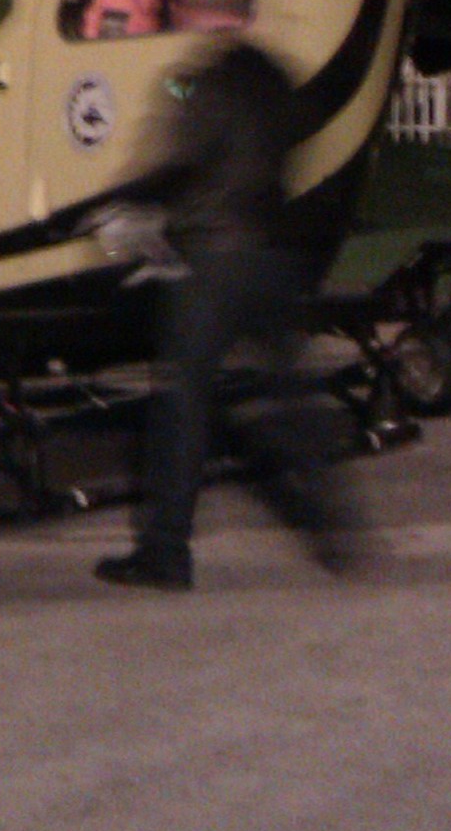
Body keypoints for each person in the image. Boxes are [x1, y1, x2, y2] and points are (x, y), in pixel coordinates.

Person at [95, 34, 363, 591]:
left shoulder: (210, 81)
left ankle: (165, 551)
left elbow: (186, 163)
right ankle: (334, 526)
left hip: (214, 259)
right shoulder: (274, 76)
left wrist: (132, 199)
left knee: (181, 402)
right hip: (270, 255)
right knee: (291, 393)